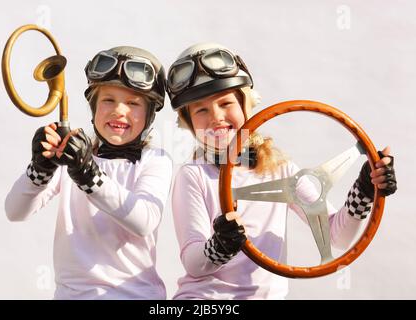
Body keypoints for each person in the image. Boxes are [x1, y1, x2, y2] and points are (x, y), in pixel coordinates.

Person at [167, 43, 397, 299]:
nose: (216, 117)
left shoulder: (280, 169)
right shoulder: (194, 175)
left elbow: (338, 237)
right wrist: (219, 246)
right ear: (189, 123)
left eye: (225, 103)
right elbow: (193, 263)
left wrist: (365, 189)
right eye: (201, 110)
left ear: (246, 104)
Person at [5, 46, 172, 299]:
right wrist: (39, 169)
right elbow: (15, 211)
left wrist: (88, 175)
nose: (120, 110)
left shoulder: (156, 160)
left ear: (150, 115)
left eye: (133, 103)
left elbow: (143, 221)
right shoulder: (71, 158)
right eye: (108, 100)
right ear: (93, 107)